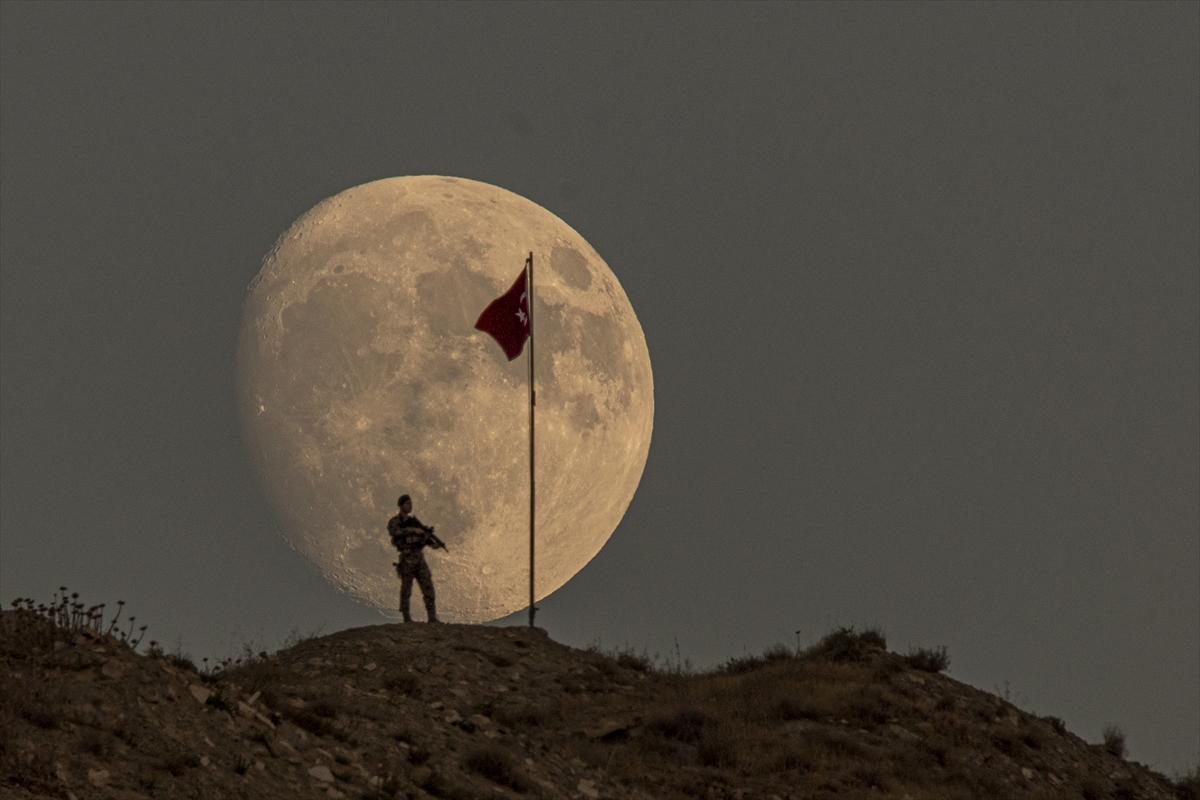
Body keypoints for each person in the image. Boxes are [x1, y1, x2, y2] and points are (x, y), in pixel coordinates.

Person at [387, 494, 440, 623]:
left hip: (419, 558)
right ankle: (407, 618)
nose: (410, 506)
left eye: (411, 503)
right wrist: (413, 530)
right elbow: (395, 532)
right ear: (401, 505)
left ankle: (432, 618)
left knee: (428, 587)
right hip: (406, 558)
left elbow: (423, 539)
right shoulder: (395, 521)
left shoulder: (414, 522)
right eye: (407, 503)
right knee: (406, 589)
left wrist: (432, 542)